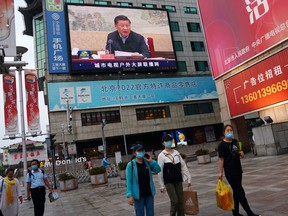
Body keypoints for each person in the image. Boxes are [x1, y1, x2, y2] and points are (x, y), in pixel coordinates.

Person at [218, 124, 261, 216]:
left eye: (231, 130)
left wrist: (241, 153)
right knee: (240, 192)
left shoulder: (235, 142)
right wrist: (220, 172)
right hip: (230, 172)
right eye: (227, 131)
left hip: (238, 170)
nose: (230, 132)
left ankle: (235, 213)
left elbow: (240, 154)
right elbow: (221, 159)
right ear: (224, 133)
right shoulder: (222, 145)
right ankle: (250, 213)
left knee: (236, 192)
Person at [157, 134, 191, 216]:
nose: (169, 142)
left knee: (181, 201)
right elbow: (160, 171)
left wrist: (189, 178)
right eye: (166, 141)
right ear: (163, 143)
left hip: (178, 180)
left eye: (170, 140)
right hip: (169, 182)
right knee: (175, 201)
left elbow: (183, 166)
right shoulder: (161, 155)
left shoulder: (176, 153)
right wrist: (161, 185)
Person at [126, 144, 161, 216]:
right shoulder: (131, 165)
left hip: (149, 193)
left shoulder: (147, 162)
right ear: (134, 153)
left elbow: (158, 170)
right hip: (138, 195)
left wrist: (152, 161)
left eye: (142, 150)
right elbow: (129, 181)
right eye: (139, 151)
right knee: (140, 214)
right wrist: (129, 195)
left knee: (150, 213)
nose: (141, 152)